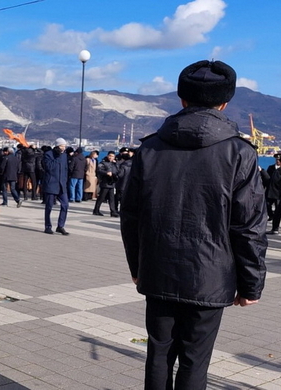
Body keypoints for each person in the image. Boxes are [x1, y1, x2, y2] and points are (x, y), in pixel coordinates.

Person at [120, 60, 267, 390]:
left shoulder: (151, 147)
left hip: (158, 269)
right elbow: (249, 226)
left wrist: (137, 265)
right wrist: (251, 284)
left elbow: (130, 214)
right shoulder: (239, 152)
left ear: (182, 99)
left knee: (158, 355)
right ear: (224, 102)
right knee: (194, 360)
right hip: (211, 276)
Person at [42, 138, 70, 235]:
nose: (63, 148)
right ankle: (48, 226)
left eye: (64, 146)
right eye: (62, 146)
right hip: (51, 184)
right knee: (49, 206)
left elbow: (66, 169)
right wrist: (57, 157)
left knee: (65, 205)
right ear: (57, 146)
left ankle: (60, 226)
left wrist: (65, 180)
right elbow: (49, 167)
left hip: (62, 184)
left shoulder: (64, 156)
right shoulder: (48, 154)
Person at [92, 151, 119, 217]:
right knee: (101, 197)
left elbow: (117, 171)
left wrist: (116, 165)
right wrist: (106, 173)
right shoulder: (103, 163)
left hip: (112, 183)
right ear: (107, 156)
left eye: (112, 156)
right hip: (105, 183)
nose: (111, 157)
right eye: (110, 156)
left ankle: (113, 211)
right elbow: (99, 170)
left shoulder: (114, 164)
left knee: (112, 198)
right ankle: (96, 210)